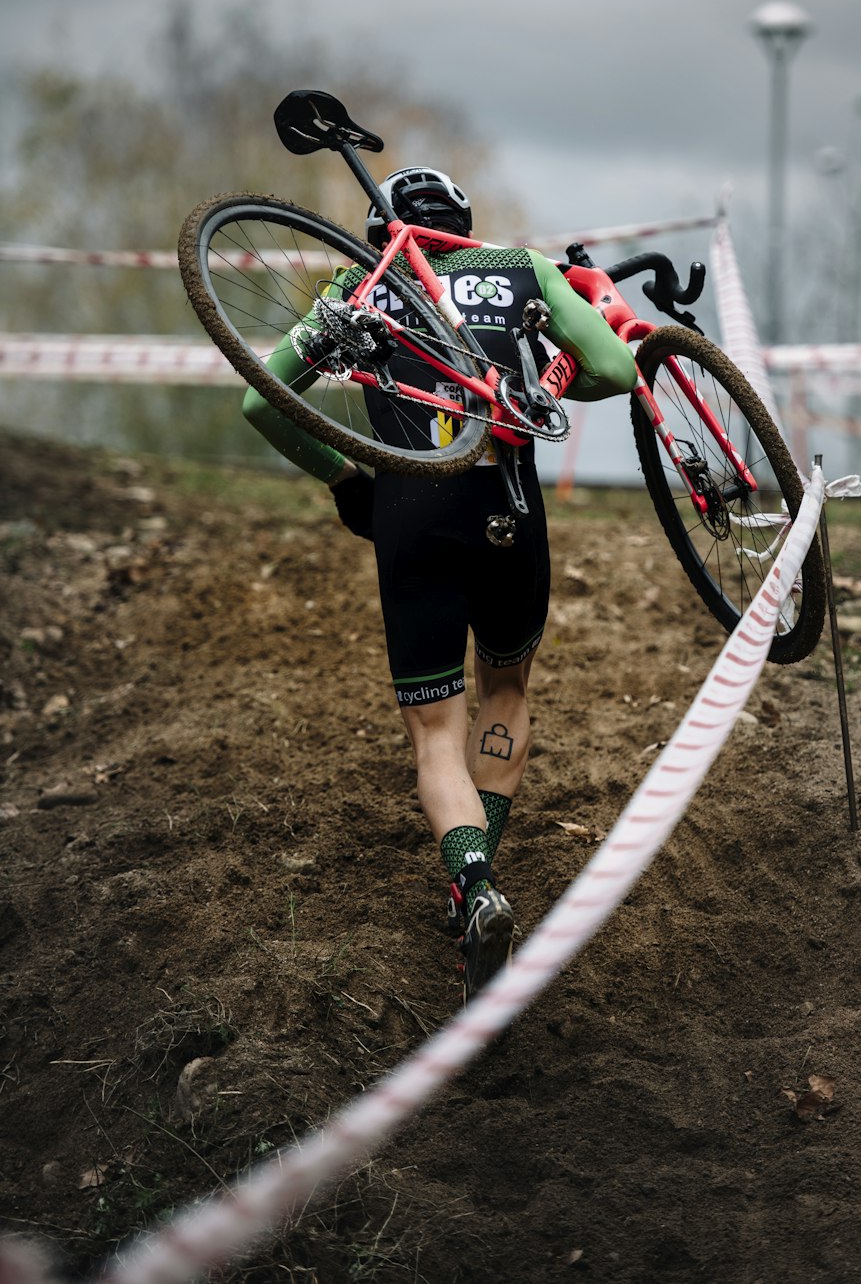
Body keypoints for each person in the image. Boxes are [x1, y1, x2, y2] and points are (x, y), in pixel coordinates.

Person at [243, 165, 636, 1001]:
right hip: (509, 499)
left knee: (434, 733)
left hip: (408, 510)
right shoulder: (521, 267)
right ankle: (480, 869)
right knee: (507, 687)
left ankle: (471, 884)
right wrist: (552, 381)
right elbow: (616, 368)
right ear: (462, 222)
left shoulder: (356, 286)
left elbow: (261, 403)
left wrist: (347, 479)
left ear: (384, 233)